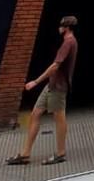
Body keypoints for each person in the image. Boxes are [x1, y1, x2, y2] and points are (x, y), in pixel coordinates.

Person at [7, 15, 79, 166]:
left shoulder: (69, 43)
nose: (59, 28)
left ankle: (60, 154)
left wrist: (35, 81)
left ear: (66, 27)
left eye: (61, 25)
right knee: (35, 114)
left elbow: (55, 66)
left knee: (59, 118)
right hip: (51, 85)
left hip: (58, 87)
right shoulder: (68, 42)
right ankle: (25, 154)